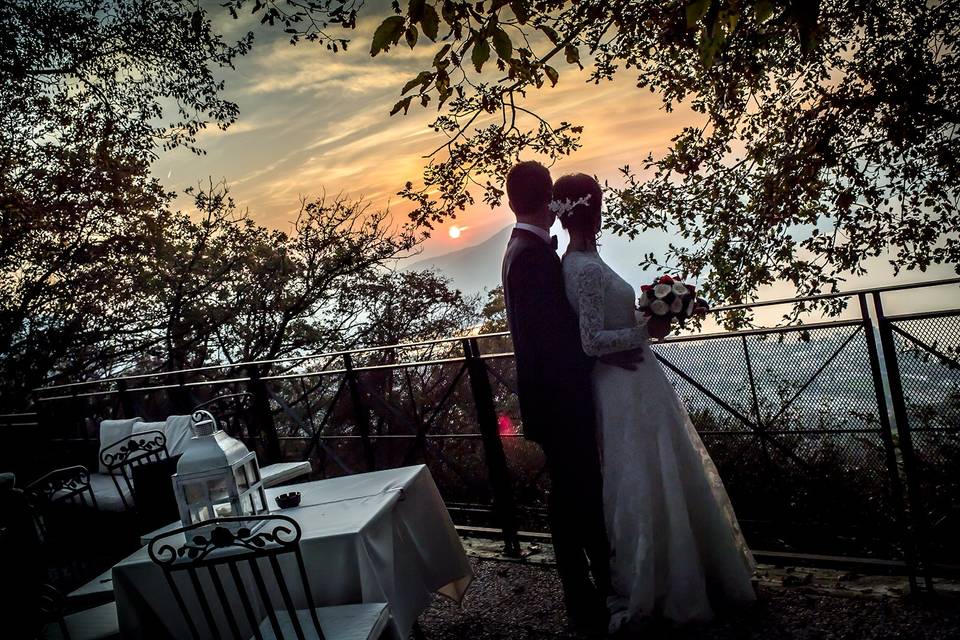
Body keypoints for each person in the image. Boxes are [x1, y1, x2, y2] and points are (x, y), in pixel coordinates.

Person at [554, 172, 756, 631]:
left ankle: (687, 569)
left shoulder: (584, 259)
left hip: (637, 380)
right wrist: (649, 329)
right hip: (623, 386)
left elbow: (603, 323)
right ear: (594, 208)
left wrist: (651, 309)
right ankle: (666, 579)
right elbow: (589, 340)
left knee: (660, 469)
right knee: (644, 474)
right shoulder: (582, 268)